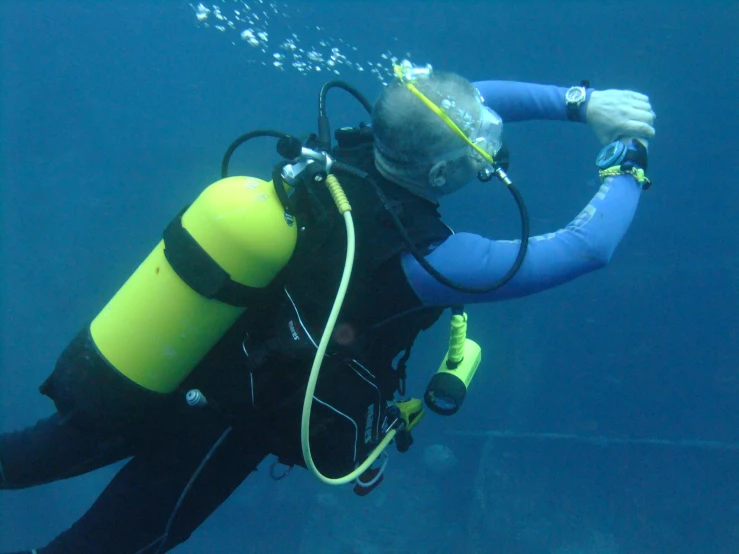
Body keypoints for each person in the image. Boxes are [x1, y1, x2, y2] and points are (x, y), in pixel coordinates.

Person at [0, 60, 655, 554]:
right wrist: (628, 158)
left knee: (27, 457)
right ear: (440, 176)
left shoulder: (346, 155)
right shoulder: (427, 260)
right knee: (109, 545)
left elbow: (456, 103)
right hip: (226, 423)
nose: (489, 139)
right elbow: (585, 248)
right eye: (476, 145)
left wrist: (581, 103)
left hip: (174, 352)